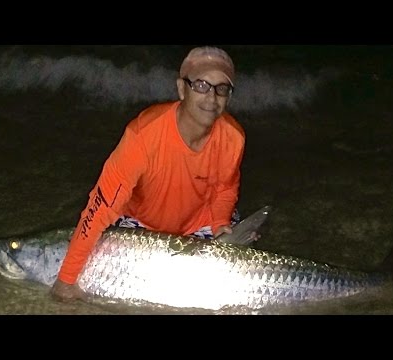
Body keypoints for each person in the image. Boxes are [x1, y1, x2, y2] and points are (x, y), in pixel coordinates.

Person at [50, 46, 249, 302]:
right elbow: (98, 209)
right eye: (201, 85)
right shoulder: (142, 135)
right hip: (141, 228)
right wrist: (66, 280)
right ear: (181, 88)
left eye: (222, 89)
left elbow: (225, 188)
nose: (211, 99)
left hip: (201, 224)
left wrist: (221, 224)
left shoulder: (233, 137)